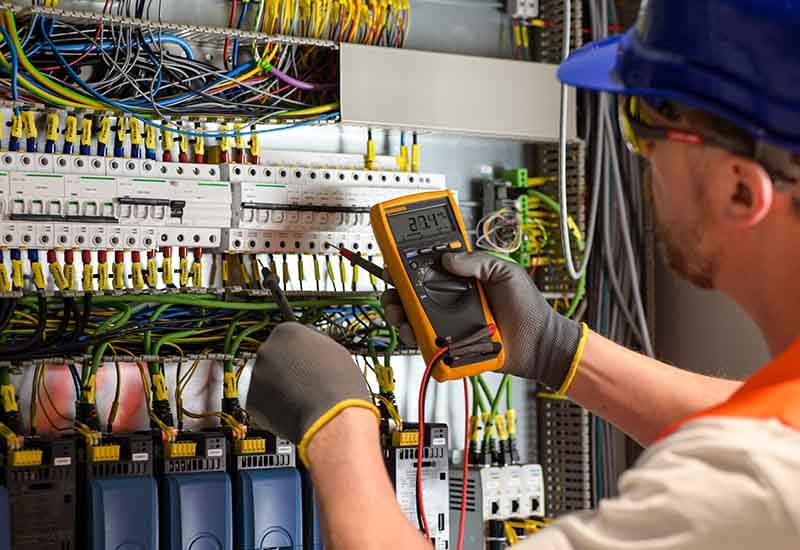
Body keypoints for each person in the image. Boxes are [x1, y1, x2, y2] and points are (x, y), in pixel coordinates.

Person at [248, 1, 800, 548]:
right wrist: (556, 348)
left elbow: (753, 456)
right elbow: (762, 423)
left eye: (644, 127)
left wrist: (336, 426)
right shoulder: (766, 457)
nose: (642, 159)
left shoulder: (750, 485)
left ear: (740, 189)